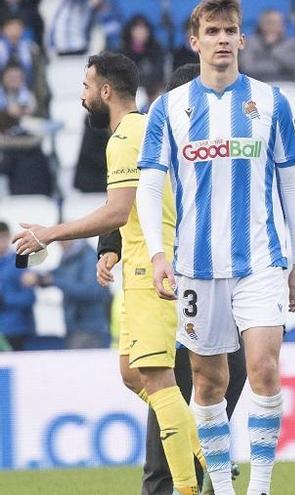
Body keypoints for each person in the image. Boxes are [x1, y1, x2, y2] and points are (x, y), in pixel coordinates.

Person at [135, 2, 295, 494]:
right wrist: (157, 253)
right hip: (195, 263)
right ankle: (222, 486)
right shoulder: (168, 108)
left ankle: (260, 488)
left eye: (230, 30)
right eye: (211, 31)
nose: (222, 39)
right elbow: (149, 185)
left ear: (242, 39)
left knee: (264, 367)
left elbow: (293, 183)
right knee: (207, 381)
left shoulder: (270, 102)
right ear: (195, 41)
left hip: (260, 259)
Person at [11, 52, 205, 495]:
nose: (80, 98)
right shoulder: (137, 131)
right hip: (137, 262)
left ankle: (195, 482)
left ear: (104, 91)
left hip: (149, 267)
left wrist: (51, 234)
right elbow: (131, 210)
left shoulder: (127, 136)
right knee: (132, 374)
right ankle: (204, 450)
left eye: (84, 88)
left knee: (157, 379)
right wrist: (111, 251)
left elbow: (118, 210)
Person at [92, 62, 251, 495]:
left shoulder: (225, 150)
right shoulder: (159, 138)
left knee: (182, 395)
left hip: (213, 288)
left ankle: (207, 464)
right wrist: (111, 243)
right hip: (171, 280)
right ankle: (204, 460)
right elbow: (134, 200)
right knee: (155, 387)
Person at [27, 239, 112, 349]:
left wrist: (54, 281)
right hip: (75, 328)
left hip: (89, 330)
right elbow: (57, 273)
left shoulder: (88, 258)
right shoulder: (70, 257)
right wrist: (39, 278)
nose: (59, 245)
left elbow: (90, 291)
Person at [0, 15, 49, 116]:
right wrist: (5, 107)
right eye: (11, 26)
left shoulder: (31, 49)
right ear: (3, 29)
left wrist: (36, 105)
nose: (15, 30)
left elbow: (39, 79)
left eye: (18, 26)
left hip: (28, 97)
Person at [239, 8, 295, 83]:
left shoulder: (293, 43)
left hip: (286, 83)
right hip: (257, 84)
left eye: (278, 22)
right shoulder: (250, 42)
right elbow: (247, 67)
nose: (273, 26)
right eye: (270, 23)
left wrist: (272, 48)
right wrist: (278, 67)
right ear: (261, 24)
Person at [0, 221, 35, 350]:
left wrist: (5, 300)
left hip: (16, 330)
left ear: (8, 237)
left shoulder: (20, 261)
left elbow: (30, 298)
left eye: (2, 237)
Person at [119, 15, 167, 102]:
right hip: (130, 92)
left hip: (153, 91)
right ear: (130, 31)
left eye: (143, 30)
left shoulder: (156, 50)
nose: (140, 33)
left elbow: (159, 74)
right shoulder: (122, 51)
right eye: (137, 30)